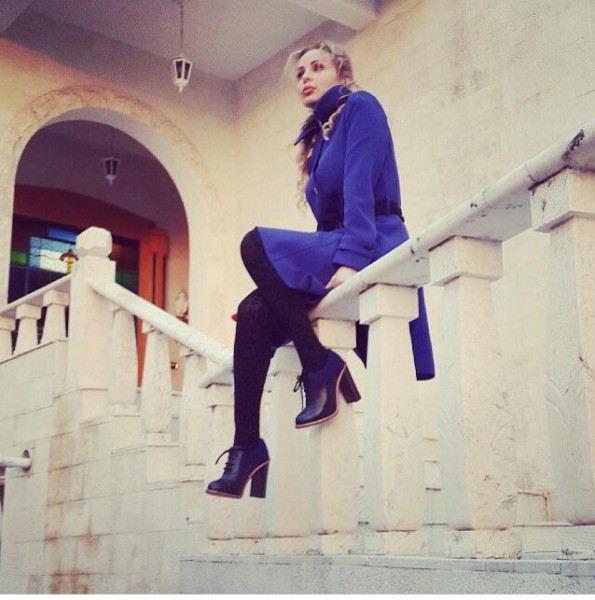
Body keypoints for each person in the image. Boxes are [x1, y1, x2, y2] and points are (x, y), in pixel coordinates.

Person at [206, 40, 434, 500]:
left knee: (253, 243)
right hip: (340, 241)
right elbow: (321, 228)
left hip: (373, 239)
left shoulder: (361, 107)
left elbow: (359, 190)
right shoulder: (317, 140)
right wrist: (279, 289)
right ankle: (247, 447)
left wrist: (350, 260)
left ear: (341, 72)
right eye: (300, 73)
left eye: (316, 67)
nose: (305, 77)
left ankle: (319, 366)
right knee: (252, 313)